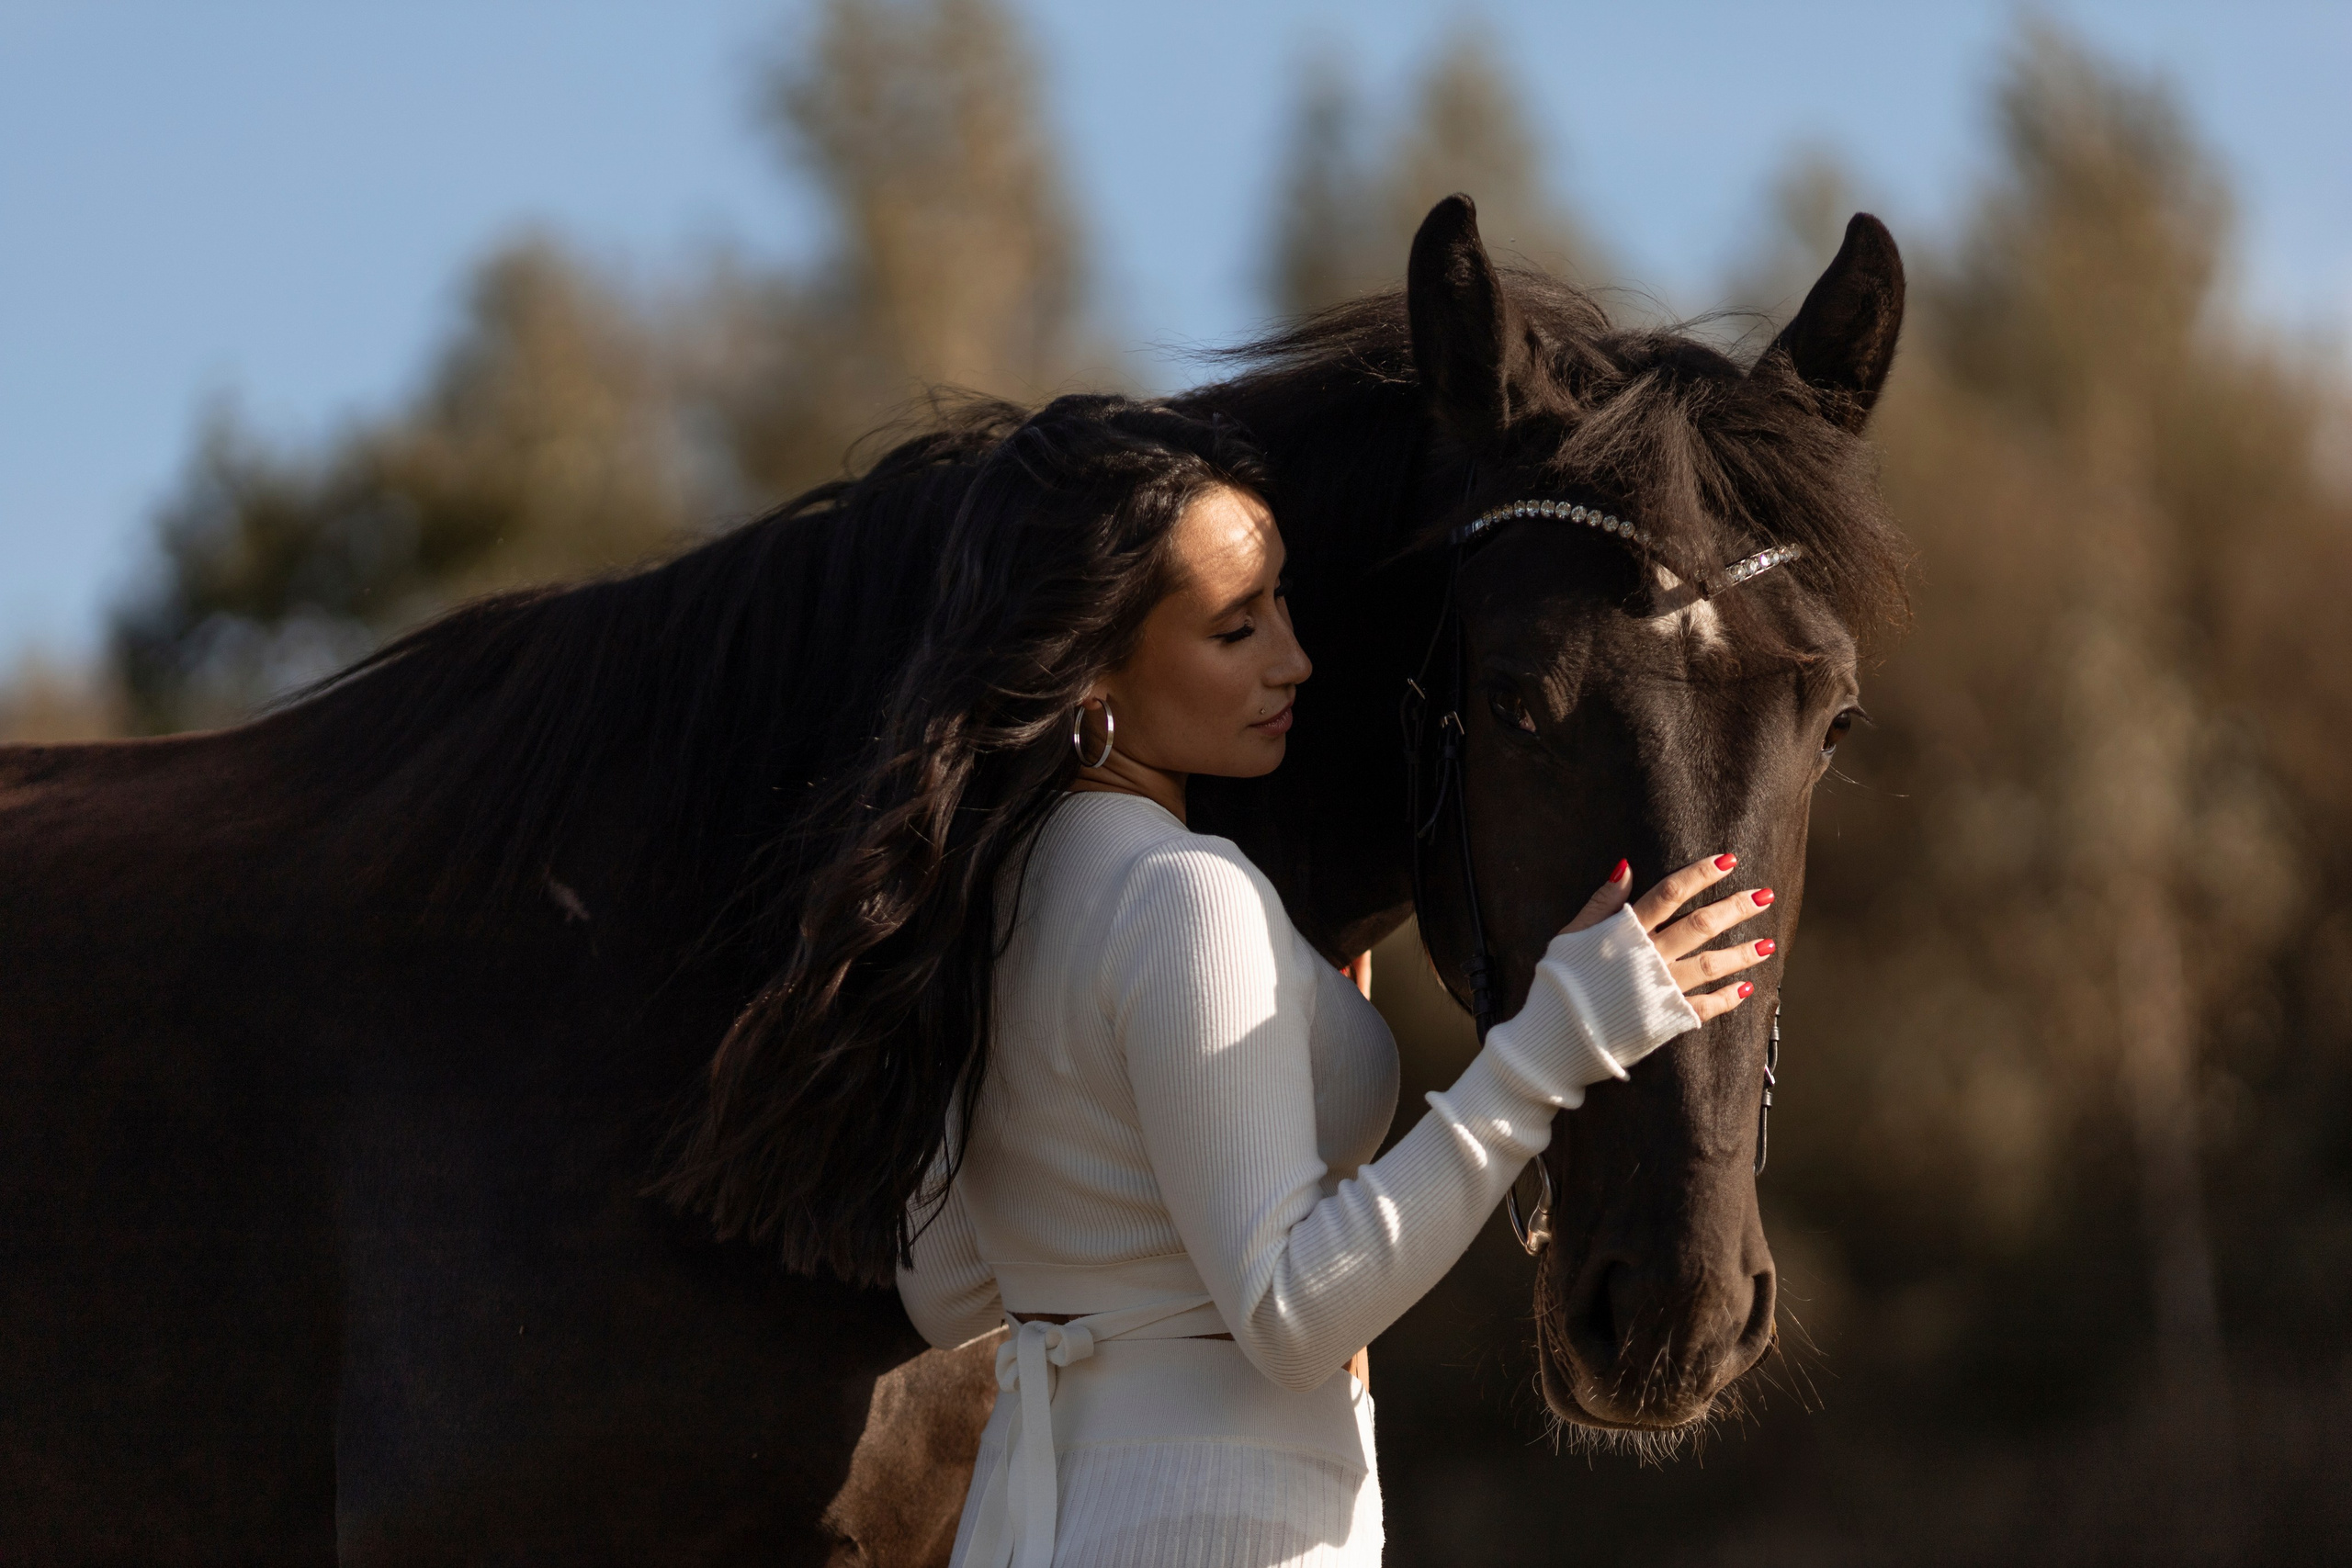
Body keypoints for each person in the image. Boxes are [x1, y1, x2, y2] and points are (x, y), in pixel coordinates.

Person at [739, 395, 1770, 1566]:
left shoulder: (990, 896)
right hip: (1208, 1521)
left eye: (1282, 599)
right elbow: (1289, 1319)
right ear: (1087, 670)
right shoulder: (1185, 897)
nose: (1294, 658)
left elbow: (948, 1286)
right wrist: (1557, 1042)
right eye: (1235, 631)